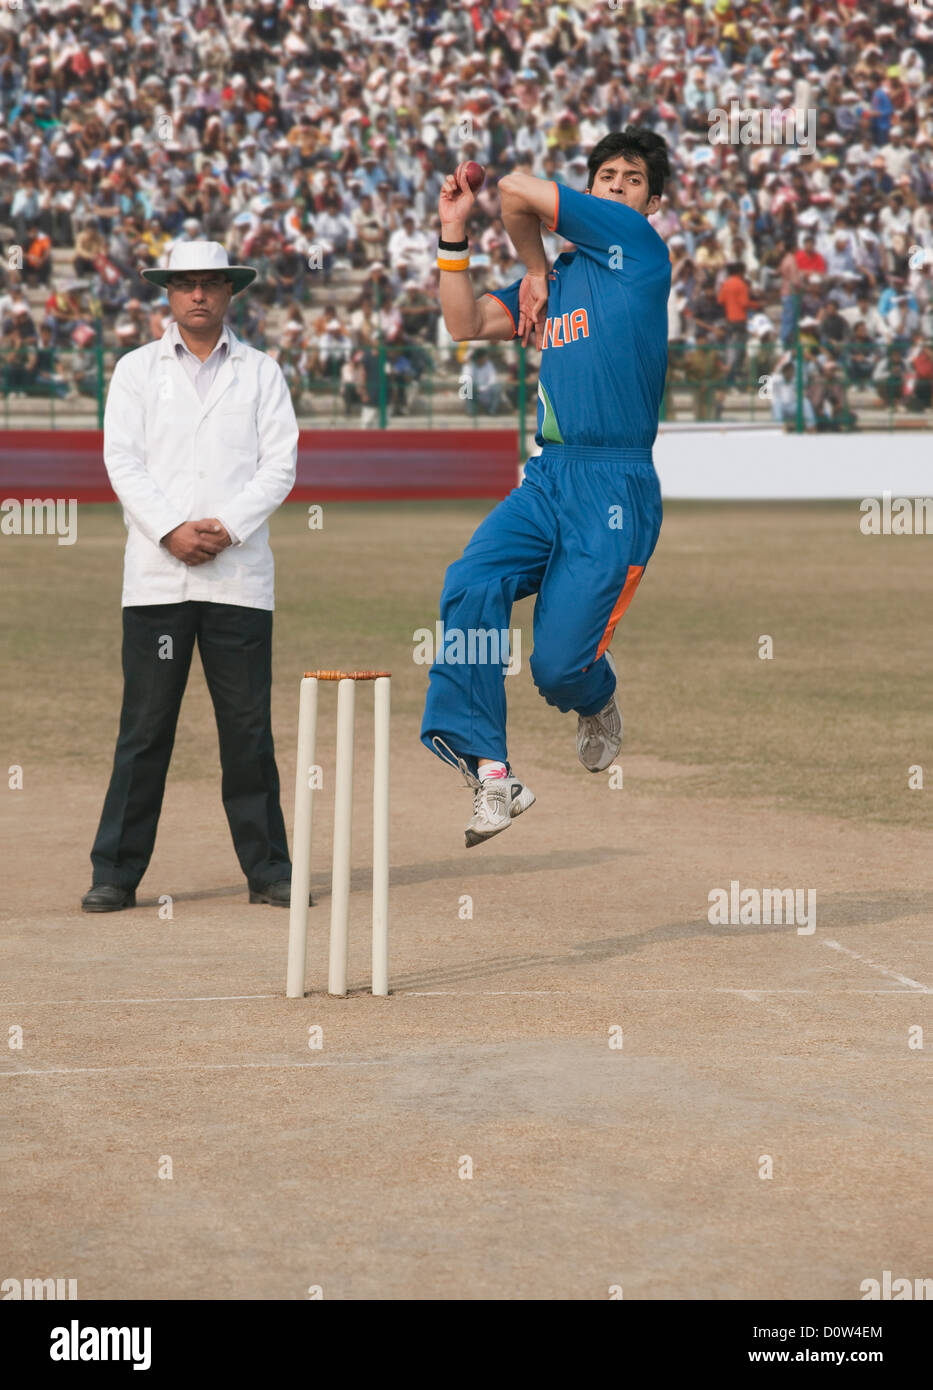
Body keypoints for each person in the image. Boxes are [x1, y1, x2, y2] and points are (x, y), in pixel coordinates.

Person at [420, 128, 671, 847]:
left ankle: (595, 694)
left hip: (615, 484)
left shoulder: (636, 249)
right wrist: (452, 233)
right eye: (605, 176)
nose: (617, 186)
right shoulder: (556, 280)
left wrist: (529, 265)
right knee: (469, 581)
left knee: (558, 670)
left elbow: (517, 192)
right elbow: (463, 322)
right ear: (588, 186)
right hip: (547, 477)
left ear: (651, 202)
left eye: (632, 179)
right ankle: (491, 774)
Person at [81, 242, 303, 913]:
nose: (198, 295)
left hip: (237, 581)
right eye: (185, 284)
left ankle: (268, 871)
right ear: (168, 294)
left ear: (230, 292)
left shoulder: (262, 372)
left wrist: (224, 528)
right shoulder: (135, 371)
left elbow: (280, 466)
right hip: (156, 579)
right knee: (145, 730)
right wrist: (172, 529)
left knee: (247, 731)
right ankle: (115, 872)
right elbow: (123, 461)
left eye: (210, 284)